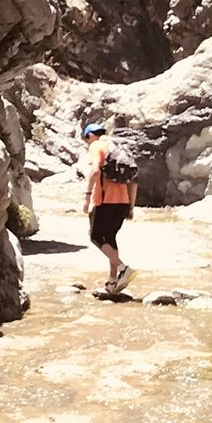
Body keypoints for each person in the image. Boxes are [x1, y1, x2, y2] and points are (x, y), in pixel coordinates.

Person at [82, 121, 136, 295]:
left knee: (96, 237)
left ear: (91, 135)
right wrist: (131, 206)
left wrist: (87, 195)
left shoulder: (97, 145)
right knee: (110, 238)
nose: (88, 144)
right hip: (123, 201)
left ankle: (123, 268)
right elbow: (133, 179)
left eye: (87, 140)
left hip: (104, 200)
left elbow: (96, 171)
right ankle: (113, 282)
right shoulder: (118, 146)